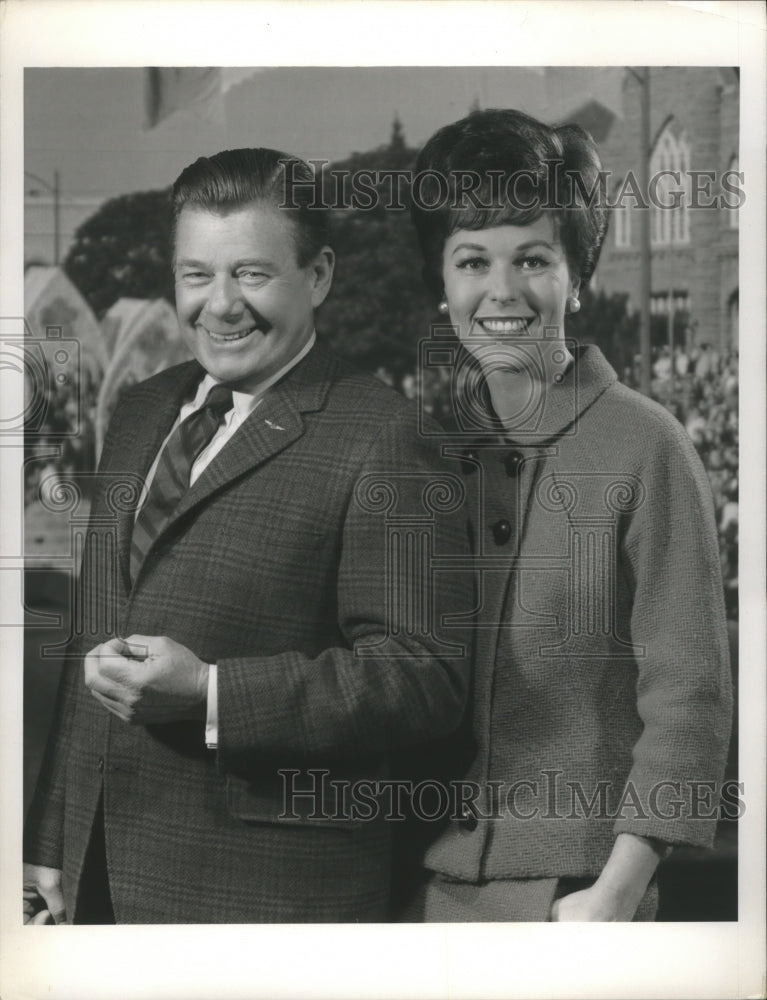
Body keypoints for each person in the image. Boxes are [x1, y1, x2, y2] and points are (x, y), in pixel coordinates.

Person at [23, 147, 472, 924]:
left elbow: (423, 677)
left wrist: (211, 693)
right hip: (100, 880)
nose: (219, 304)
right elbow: (95, 636)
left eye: (252, 274)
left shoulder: (385, 435)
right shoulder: (139, 411)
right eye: (197, 275)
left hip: (266, 901)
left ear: (320, 275)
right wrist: (51, 839)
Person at [404, 109, 732, 921]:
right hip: (417, 890)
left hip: (577, 897)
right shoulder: (423, 451)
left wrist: (611, 897)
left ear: (576, 276)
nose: (501, 291)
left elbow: (687, 697)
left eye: (534, 259)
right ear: (441, 286)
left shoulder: (647, 445)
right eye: (471, 260)